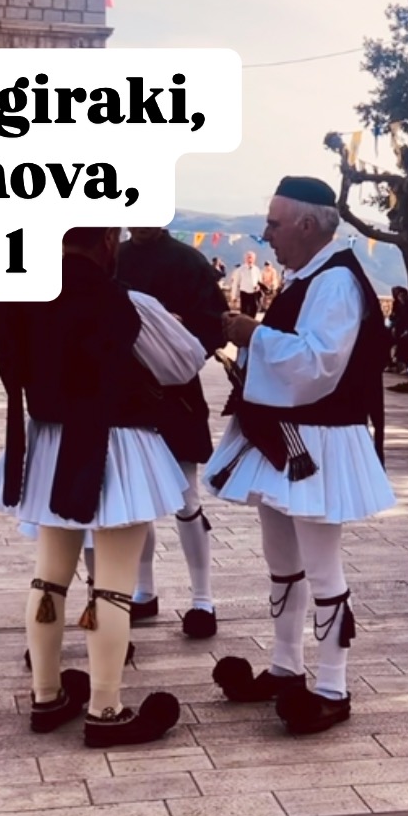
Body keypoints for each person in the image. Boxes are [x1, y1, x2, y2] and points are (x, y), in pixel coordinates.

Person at [0, 226, 206, 748]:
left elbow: (10, 365)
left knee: (49, 578)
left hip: (49, 444)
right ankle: (106, 708)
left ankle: (46, 695)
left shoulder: (16, 295)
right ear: (107, 243)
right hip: (117, 445)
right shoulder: (126, 301)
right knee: (112, 584)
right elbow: (184, 363)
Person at [206, 175, 395, 737]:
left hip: (318, 441)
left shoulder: (335, 283)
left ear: (307, 225)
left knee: (321, 564)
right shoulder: (310, 276)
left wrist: (252, 333)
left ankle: (333, 685)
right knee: (283, 560)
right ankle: (286, 667)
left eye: (273, 223)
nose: (266, 235)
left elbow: (318, 366)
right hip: (287, 437)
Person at [116, 222, 226, 639]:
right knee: (138, 500)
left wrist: (176, 331)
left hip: (176, 393)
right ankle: (144, 591)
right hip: (127, 394)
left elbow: (213, 325)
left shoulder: (189, 261)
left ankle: (203, 598)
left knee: (186, 497)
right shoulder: (115, 259)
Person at [231, 250, 263, 319]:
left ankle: (251, 325)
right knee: (244, 311)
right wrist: (234, 296)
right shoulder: (240, 270)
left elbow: (259, 282)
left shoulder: (257, 270)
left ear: (254, 259)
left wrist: (258, 287)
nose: (250, 259)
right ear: (245, 259)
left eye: (251, 258)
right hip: (244, 292)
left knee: (254, 309)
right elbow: (235, 283)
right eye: (248, 257)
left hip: (254, 293)